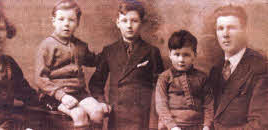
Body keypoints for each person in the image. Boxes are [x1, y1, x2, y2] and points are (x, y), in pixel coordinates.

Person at [34, 0, 111, 129]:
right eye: (61, 19)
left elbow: (94, 60)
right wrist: (62, 96)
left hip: (79, 92)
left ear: (77, 23)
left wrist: (110, 52)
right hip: (54, 95)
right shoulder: (47, 45)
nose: (66, 24)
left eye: (71, 20)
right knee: (79, 114)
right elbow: (40, 78)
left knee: (98, 112)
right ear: (53, 21)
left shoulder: (80, 45)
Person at [88, 1, 164, 130]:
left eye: (134, 21)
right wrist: (102, 102)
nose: (129, 26)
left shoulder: (152, 51)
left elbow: (161, 87)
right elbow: (96, 83)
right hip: (117, 114)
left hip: (142, 115)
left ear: (141, 23)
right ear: (118, 23)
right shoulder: (109, 51)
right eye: (124, 21)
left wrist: (156, 117)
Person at [209, 5, 268, 129]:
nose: (225, 34)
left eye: (231, 28)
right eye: (220, 28)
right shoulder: (215, 70)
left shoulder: (261, 67)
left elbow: (260, 125)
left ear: (244, 30)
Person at [154, 30, 213, 130]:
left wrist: (207, 126)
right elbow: (161, 105)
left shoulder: (202, 78)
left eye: (186, 55)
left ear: (194, 55)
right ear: (170, 54)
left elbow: (209, 104)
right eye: (177, 54)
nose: (181, 59)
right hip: (171, 126)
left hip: (197, 126)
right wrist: (173, 127)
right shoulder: (164, 77)